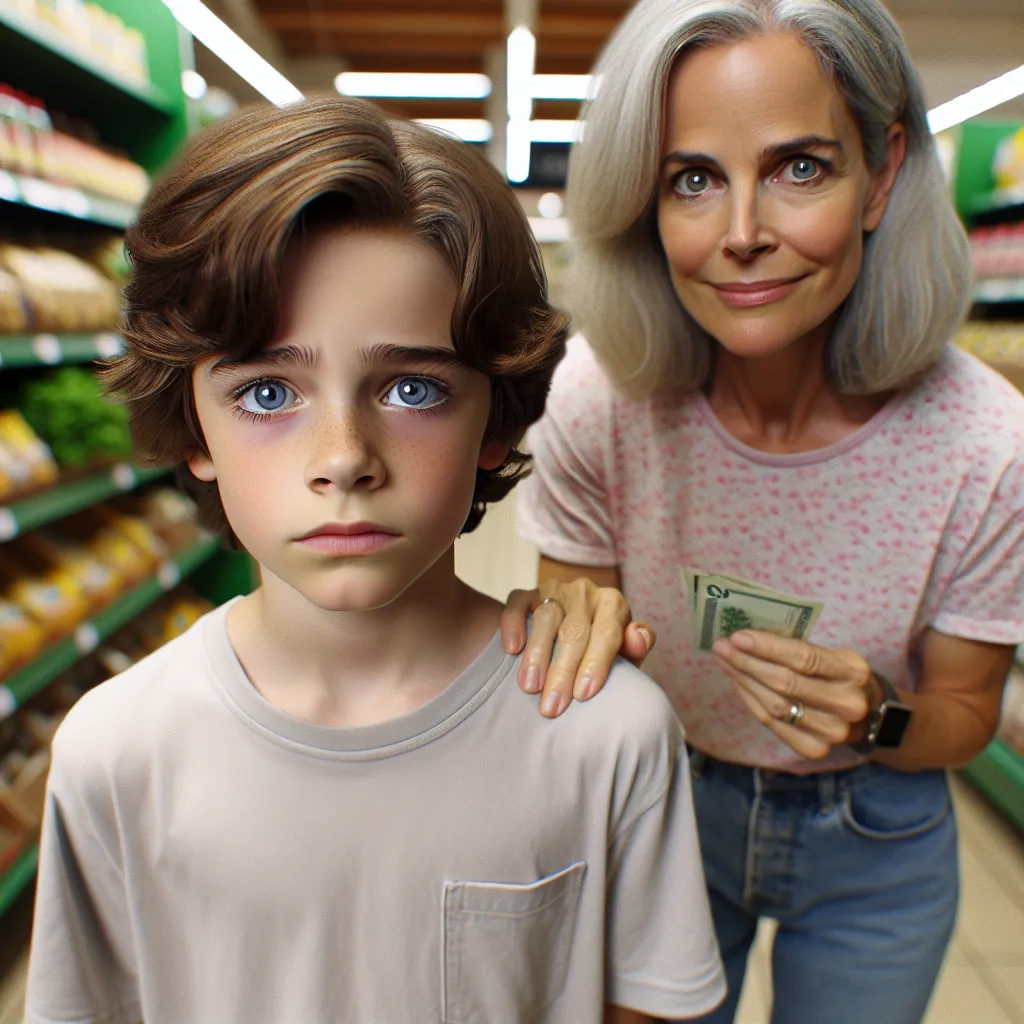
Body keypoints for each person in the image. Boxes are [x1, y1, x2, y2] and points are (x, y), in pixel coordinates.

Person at [24, 96, 726, 1024]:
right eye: (269, 390)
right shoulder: (117, 753)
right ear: (193, 424)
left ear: (496, 414)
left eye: (411, 387)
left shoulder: (605, 737)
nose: (344, 455)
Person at [501, 2, 1024, 1022]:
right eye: (692, 179)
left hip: (877, 831)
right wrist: (558, 646)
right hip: (663, 805)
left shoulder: (985, 443)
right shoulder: (600, 401)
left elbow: (962, 716)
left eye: (799, 168)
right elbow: (571, 654)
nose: (741, 235)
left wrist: (876, 713)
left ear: (879, 175)